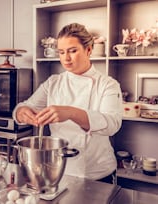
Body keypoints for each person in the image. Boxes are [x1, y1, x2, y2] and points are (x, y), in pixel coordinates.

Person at [13, 23, 123, 184]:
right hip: (59, 170)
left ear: (89, 49)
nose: (66, 58)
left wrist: (71, 112)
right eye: (61, 52)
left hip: (98, 173)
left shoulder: (108, 84)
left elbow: (112, 124)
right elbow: (24, 106)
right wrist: (22, 112)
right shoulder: (53, 82)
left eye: (72, 51)